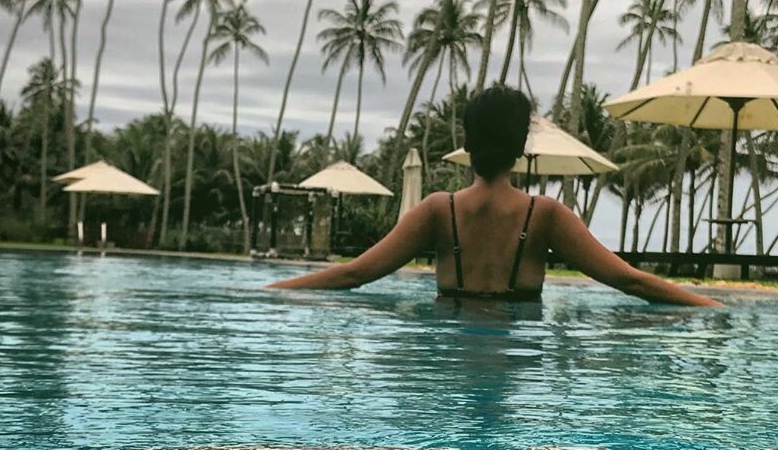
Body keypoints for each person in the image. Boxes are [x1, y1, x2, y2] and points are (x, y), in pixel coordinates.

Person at [267, 86, 721, 307]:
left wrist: (268, 291)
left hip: (447, 353)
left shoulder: (437, 210)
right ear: (521, 145)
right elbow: (630, 282)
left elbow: (352, 274)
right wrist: (711, 306)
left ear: (467, 142)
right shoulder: (546, 215)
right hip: (517, 352)